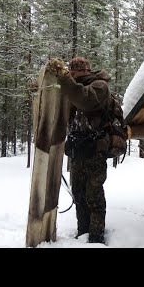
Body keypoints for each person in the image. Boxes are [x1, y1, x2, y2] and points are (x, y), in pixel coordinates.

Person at [47, 56, 111, 244]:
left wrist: (65, 79)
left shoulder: (100, 86)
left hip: (94, 151)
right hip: (77, 152)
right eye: (70, 72)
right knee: (79, 195)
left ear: (84, 70)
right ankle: (82, 233)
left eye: (74, 72)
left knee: (94, 195)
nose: (72, 76)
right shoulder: (71, 90)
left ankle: (96, 238)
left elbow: (85, 100)